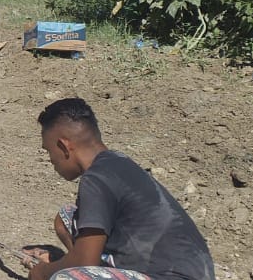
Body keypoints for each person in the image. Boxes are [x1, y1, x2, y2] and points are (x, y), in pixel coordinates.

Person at [23, 98, 216, 280]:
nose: (51, 160)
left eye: (48, 151)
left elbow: (84, 262)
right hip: (186, 270)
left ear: (64, 147)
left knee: (66, 277)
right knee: (66, 218)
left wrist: (42, 272)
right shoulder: (115, 163)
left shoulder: (96, 179)